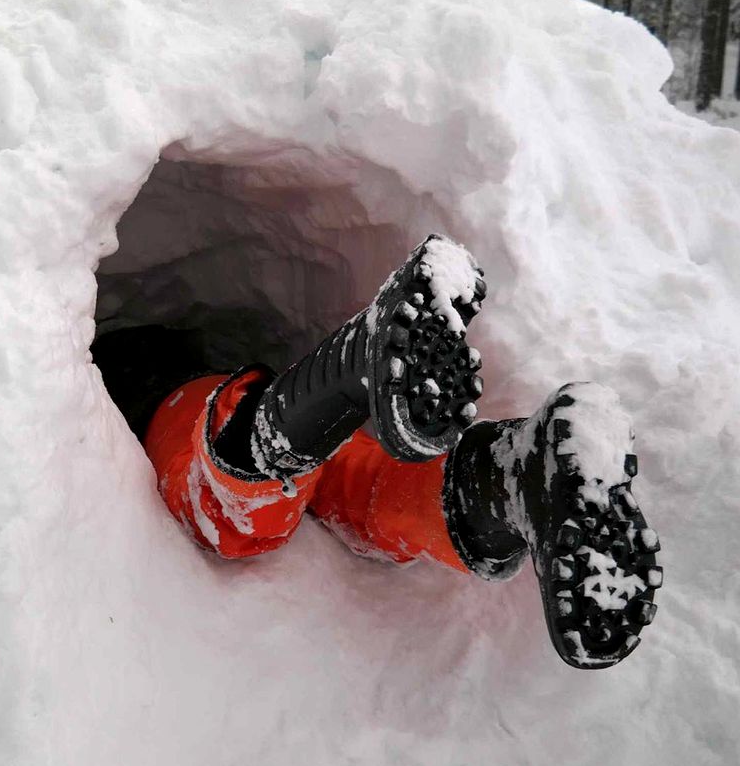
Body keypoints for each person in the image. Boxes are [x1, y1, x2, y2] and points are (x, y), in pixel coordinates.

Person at [92, 235, 661, 669]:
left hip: (171, 404)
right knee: (363, 484)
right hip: (210, 392)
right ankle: (511, 479)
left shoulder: (113, 368)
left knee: (227, 511)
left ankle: (348, 367)